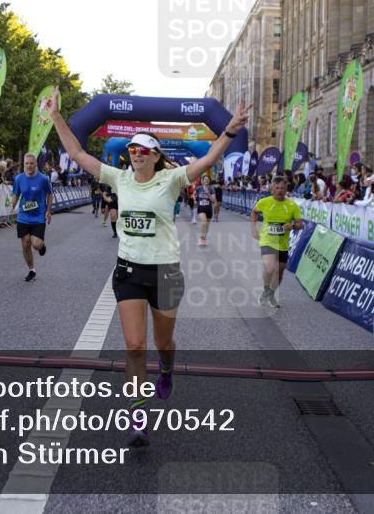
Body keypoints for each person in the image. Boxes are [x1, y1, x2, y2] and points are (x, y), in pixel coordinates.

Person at [46, 86, 249, 447]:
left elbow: (208, 160)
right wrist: (56, 116)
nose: (136, 154)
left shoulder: (171, 179)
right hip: (129, 271)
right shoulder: (119, 178)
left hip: (166, 272)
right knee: (135, 345)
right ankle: (137, 415)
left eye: (142, 150)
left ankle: (167, 368)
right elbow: (76, 152)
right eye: (132, 150)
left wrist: (230, 130)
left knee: (163, 342)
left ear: (155, 156)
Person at [250, 175, 304, 308]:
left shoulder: (292, 205)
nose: (280, 191)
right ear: (272, 188)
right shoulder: (264, 202)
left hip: (283, 243)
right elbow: (254, 212)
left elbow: (300, 224)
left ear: (286, 189)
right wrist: (254, 229)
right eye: (277, 188)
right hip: (267, 239)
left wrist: (293, 226)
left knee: (279, 272)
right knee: (269, 267)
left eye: (282, 188)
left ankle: (271, 294)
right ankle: (265, 290)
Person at [11, 153, 53, 282]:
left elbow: (50, 194)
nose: (29, 166)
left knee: (36, 244)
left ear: (36, 164)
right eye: (27, 163)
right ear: (24, 164)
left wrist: (48, 211)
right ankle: (31, 270)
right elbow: (16, 194)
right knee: (25, 244)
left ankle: (42, 246)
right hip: (23, 216)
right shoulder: (19, 178)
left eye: (31, 163)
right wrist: (12, 207)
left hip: (38, 216)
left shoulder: (43, 179)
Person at [195, 175, 215, 247]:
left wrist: (208, 194)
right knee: (204, 222)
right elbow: (195, 196)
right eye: (205, 179)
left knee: (207, 225)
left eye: (207, 179)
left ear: (209, 181)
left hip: (208, 209)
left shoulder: (211, 189)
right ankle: (201, 238)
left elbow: (213, 201)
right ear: (202, 181)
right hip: (201, 208)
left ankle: (204, 238)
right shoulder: (199, 188)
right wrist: (194, 200)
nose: (206, 180)